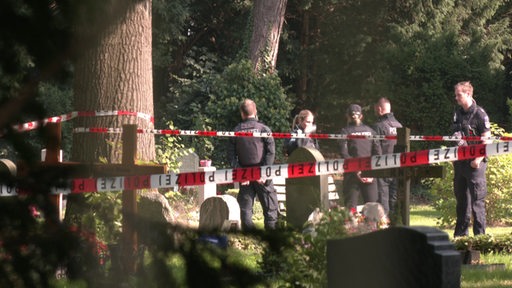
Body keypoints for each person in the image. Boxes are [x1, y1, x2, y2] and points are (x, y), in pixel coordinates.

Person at [228, 99, 279, 230]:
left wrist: (240, 173)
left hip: (245, 176)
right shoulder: (264, 129)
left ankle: (250, 239)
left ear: (242, 113)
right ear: (255, 111)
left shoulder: (236, 131)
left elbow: (231, 155)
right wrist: (264, 172)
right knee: (270, 209)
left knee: (245, 211)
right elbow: (271, 152)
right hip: (262, 176)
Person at [451, 81, 491, 237]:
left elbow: (487, 139)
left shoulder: (480, 114)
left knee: (477, 203)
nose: (456, 98)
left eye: (459, 95)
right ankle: (460, 239)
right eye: (456, 95)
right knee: (462, 203)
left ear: (468, 94)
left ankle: (480, 239)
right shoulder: (457, 113)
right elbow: (454, 136)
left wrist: (478, 159)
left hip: (475, 164)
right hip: (460, 163)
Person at [340, 104, 382, 211]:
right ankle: (375, 228)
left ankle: (352, 228)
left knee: (351, 211)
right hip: (370, 174)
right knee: (373, 210)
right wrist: (372, 173)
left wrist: (357, 171)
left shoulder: (345, 132)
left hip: (351, 175)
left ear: (347, 116)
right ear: (361, 116)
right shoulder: (371, 131)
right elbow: (378, 154)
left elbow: (344, 153)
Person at [373, 97, 403, 216]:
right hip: (397, 168)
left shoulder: (378, 126)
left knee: (383, 201)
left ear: (379, 109)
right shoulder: (399, 125)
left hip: (382, 169)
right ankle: (395, 226)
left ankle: (384, 229)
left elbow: (376, 149)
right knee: (394, 200)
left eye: (375, 109)